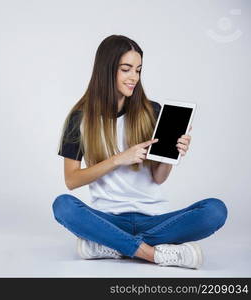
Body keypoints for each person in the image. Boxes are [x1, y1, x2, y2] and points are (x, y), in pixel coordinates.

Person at [52, 35, 227, 269]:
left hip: (155, 220)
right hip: (107, 219)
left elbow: (158, 177)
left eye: (138, 70)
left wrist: (171, 157)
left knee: (215, 210)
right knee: (63, 206)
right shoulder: (80, 118)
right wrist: (117, 160)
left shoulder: (152, 111)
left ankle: (112, 246)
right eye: (126, 69)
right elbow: (71, 181)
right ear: (106, 69)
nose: (134, 77)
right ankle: (153, 254)